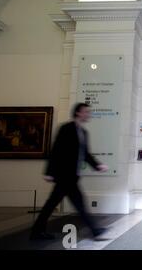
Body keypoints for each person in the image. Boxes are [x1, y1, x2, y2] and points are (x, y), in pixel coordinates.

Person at [30, 103, 109, 241]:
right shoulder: (66, 128)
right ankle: (95, 231)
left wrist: (98, 165)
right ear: (78, 113)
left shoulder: (83, 132)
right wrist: (49, 172)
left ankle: (37, 231)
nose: (88, 114)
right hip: (64, 175)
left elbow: (85, 154)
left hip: (72, 176)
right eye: (86, 112)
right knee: (77, 204)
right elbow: (56, 150)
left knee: (53, 204)